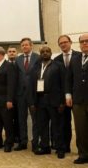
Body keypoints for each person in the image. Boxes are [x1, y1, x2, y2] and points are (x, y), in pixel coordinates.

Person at [32, 46, 65, 159]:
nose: (45, 53)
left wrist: (62, 102)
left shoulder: (58, 65)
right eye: (42, 52)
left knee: (57, 126)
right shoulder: (36, 67)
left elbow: (63, 84)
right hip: (40, 100)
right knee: (42, 126)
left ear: (51, 53)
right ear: (40, 54)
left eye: (47, 51)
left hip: (55, 100)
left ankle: (60, 148)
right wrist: (33, 103)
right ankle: (45, 147)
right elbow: (32, 85)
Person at [54, 35, 81, 153]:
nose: (63, 44)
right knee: (64, 123)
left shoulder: (80, 56)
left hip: (79, 96)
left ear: (70, 42)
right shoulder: (56, 59)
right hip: (62, 97)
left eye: (65, 42)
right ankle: (66, 146)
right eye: (61, 43)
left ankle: (82, 149)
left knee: (81, 125)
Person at [66, 33, 88, 164]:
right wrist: (68, 95)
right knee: (81, 130)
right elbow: (69, 79)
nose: (85, 43)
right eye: (82, 41)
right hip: (78, 101)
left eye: (87, 41)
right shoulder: (75, 59)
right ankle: (84, 154)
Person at [14, 38, 40, 152]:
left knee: (36, 119)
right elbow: (16, 77)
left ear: (31, 45)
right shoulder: (18, 59)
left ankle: (35, 143)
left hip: (34, 94)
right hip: (20, 94)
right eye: (22, 45)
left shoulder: (38, 57)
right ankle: (23, 142)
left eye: (26, 45)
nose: (24, 47)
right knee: (21, 119)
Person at [7, 46, 20, 143]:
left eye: (13, 51)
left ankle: (18, 136)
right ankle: (11, 137)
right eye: (10, 51)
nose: (12, 53)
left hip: (20, 95)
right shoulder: (4, 65)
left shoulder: (20, 64)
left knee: (18, 118)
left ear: (17, 53)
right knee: (9, 119)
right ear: (7, 53)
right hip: (8, 97)